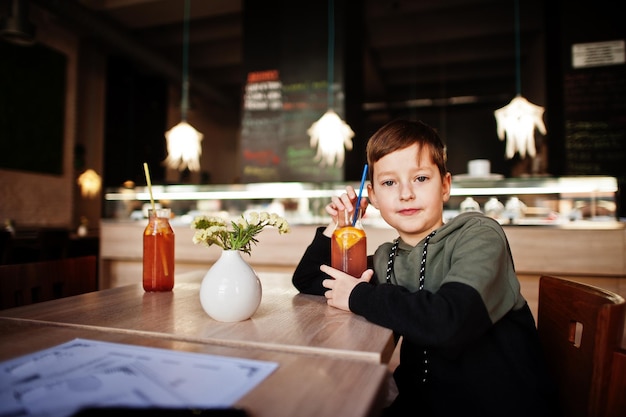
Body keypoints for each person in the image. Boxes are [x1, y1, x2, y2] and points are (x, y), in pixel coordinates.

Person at [292, 119, 559, 417]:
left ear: (445, 186)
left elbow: (450, 321)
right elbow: (310, 278)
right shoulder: (389, 257)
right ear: (374, 196)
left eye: (420, 178)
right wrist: (337, 223)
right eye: (389, 183)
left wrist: (358, 296)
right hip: (423, 403)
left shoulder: (479, 234)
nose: (405, 193)